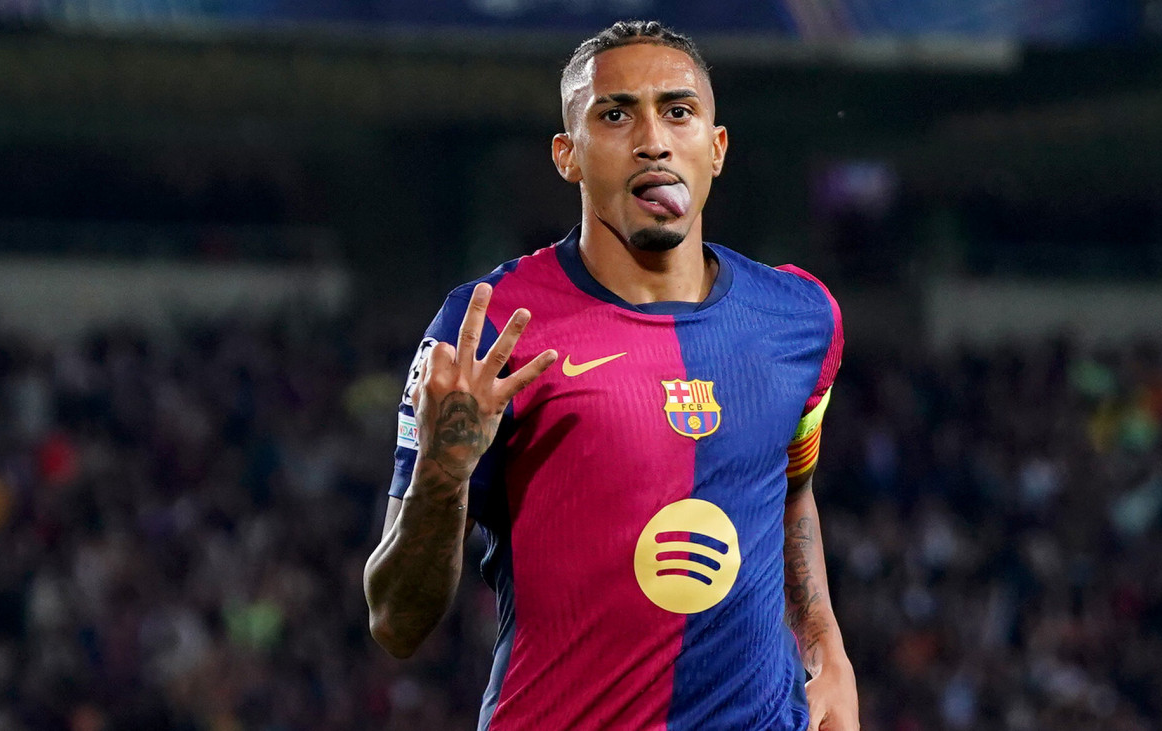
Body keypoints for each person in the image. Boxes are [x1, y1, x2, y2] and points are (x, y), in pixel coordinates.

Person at [365, 20, 859, 731]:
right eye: (616, 113)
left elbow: (792, 488)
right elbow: (394, 621)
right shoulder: (491, 327)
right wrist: (443, 469)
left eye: (679, 111)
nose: (653, 139)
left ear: (716, 150)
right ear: (568, 155)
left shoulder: (803, 319)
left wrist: (826, 647)